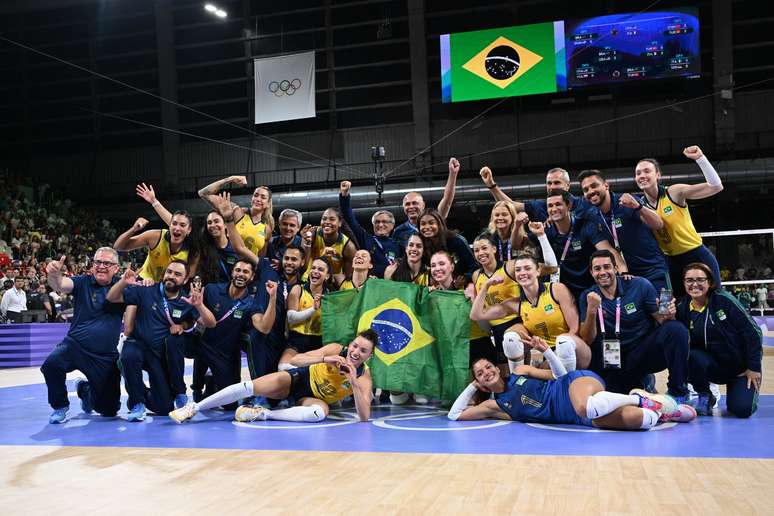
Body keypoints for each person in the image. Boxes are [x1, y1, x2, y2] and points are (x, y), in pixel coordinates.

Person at [447, 347, 694, 429]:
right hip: (575, 418)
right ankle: (654, 406)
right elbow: (455, 415)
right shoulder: (495, 405)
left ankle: (640, 399)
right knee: (643, 421)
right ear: (479, 381)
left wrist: (546, 352)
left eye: (488, 367)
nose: (486, 373)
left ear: (496, 368)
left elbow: (559, 375)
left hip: (573, 385)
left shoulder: (519, 372)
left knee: (586, 405)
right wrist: (471, 387)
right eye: (480, 374)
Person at [169, 329, 378, 424]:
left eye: (363, 351)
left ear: (370, 355)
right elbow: (295, 360)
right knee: (248, 386)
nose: (356, 352)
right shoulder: (336, 349)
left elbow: (364, 417)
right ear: (350, 344)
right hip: (296, 379)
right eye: (355, 346)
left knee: (318, 414)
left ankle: (262, 414)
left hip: (312, 397)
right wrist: (324, 359)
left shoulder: (363, 376)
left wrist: (353, 381)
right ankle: (193, 408)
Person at [107, 260, 216, 421]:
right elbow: (112, 297)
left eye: (177, 274)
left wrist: (199, 306)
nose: (171, 276)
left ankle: (142, 394)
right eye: (169, 272)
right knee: (129, 356)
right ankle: (137, 403)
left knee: (164, 407)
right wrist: (123, 282)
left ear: (185, 280)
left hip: (159, 355)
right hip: (137, 345)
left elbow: (211, 323)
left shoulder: (187, 301)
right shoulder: (146, 289)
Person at [579, 250, 690, 400]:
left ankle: (678, 393)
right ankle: (644, 381)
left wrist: (668, 315)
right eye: (597, 269)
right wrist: (591, 311)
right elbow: (587, 340)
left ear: (616, 268)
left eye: (607, 267)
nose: (603, 272)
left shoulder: (639, 285)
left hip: (641, 351)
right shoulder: (587, 296)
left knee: (676, 329)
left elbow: (662, 320)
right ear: (591, 272)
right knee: (621, 398)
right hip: (611, 356)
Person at [40, 249, 124, 424]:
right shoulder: (82, 282)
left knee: (109, 411)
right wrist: (53, 274)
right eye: (97, 262)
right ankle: (60, 406)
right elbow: (60, 285)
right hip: (75, 345)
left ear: (116, 268)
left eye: (106, 263)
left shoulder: (123, 287)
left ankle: (85, 390)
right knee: (51, 365)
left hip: (105, 356)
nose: (101, 266)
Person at [471, 253, 591, 375]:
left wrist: (552, 357)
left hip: (574, 350)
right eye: (518, 270)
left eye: (527, 268)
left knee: (563, 342)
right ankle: (516, 379)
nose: (522, 272)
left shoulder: (557, 290)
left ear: (538, 271)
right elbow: (476, 315)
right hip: (546, 353)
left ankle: (566, 382)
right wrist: (486, 286)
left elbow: (574, 330)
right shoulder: (515, 304)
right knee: (510, 338)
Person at [675, 263, 763, 417]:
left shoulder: (724, 301)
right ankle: (705, 395)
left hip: (740, 370)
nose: (694, 284)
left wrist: (753, 367)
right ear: (684, 283)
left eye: (700, 280)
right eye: (689, 280)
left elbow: (754, 333)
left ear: (710, 282)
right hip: (711, 366)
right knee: (692, 355)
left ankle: (739, 392)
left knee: (742, 410)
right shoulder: (681, 308)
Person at [636, 146, 724, 293]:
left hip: (696, 254)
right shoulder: (639, 206)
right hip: (670, 261)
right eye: (638, 173)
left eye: (647, 171)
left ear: (658, 175)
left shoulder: (674, 192)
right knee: (680, 305)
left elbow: (716, 186)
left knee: (716, 298)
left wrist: (700, 159)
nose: (642, 175)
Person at [192, 260, 278, 406]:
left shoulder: (251, 303)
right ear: (232, 272)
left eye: (246, 272)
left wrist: (273, 298)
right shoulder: (212, 289)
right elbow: (195, 314)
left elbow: (264, 327)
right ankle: (195, 387)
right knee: (182, 341)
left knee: (229, 406)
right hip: (203, 345)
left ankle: (212, 382)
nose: (240, 274)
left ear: (251, 277)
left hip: (224, 354)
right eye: (238, 270)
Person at [578, 170, 669, 291]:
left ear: (606, 185)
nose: (590, 191)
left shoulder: (626, 202)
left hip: (653, 270)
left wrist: (638, 207)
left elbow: (659, 224)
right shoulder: (593, 216)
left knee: (664, 308)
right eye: (586, 189)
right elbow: (609, 250)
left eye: (594, 186)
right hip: (627, 276)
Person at [535, 189, 628, 300]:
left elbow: (609, 251)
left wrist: (623, 273)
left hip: (588, 289)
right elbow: (518, 244)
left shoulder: (585, 226)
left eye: (558, 204)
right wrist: (517, 225)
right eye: (550, 206)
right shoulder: (546, 231)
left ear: (569, 206)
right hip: (562, 292)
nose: (554, 209)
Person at [430, 250, 496, 367]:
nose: (437, 268)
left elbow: (486, 328)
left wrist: (475, 305)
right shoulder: (431, 296)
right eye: (433, 265)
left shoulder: (468, 289)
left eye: (441, 263)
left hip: (477, 344)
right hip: (451, 350)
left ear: (451, 267)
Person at [480, 166, 593, 222]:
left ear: (568, 185)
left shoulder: (583, 204)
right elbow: (509, 205)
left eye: (557, 182)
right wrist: (491, 184)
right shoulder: (539, 206)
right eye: (549, 183)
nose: (552, 187)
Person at [113, 210, 198, 283]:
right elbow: (118, 246)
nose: (177, 228)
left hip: (170, 287)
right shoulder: (155, 236)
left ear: (189, 230)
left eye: (182, 225)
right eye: (174, 223)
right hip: (144, 281)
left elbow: (188, 278)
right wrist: (133, 229)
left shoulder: (193, 250)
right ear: (169, 225)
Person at [198, 176, 274, 257]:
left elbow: (260, 259)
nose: (258, 199)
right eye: (256, 195)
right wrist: (231, 179)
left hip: (248, 269)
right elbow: (203, 193)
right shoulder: (238, 212)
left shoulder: (266, 229)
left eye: (263, 197)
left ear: (268, 204)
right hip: (230, 265)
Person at [392, 157, 460, 248]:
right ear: (404, 208)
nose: (411, 206)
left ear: (423, 205)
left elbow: (447, 200)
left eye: (415, 203)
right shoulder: (399, 232)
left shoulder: (435, 220)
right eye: (407, 204)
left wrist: (453, 174)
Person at [339, 180, 400, 278]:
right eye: (377, 222)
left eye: (384, 222)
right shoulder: (366, 239)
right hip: (370, 285)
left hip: (391, 285)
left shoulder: (398, 245)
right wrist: (344, 195)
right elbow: (349, 218)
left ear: (392, 225)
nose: (380, 224)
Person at [280, 257, 332, 368]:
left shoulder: (330, 297)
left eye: (320, 269)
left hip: (319, 341)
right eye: (313, 268)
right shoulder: (298, 289)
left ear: (327, 276)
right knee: (283, 367)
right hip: (297, 338)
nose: (315, 271)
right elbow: (291, 318)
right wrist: (313, 309)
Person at [418, 209, 477, 277]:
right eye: (423, 224)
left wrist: (466, 278)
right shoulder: (420, 244)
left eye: (431, 223)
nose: (427, 227)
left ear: (439, 224)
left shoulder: (457, 241)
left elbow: (474, 266)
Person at [301, 208, 356, 280]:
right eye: (324, 219)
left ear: (340, 223)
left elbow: (348, 276)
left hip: (332, 285)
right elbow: (302, 263)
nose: (327, 222)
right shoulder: (312, 234)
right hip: (309, 280)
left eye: (332, 219)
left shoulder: (348, 246)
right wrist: (306, 242)